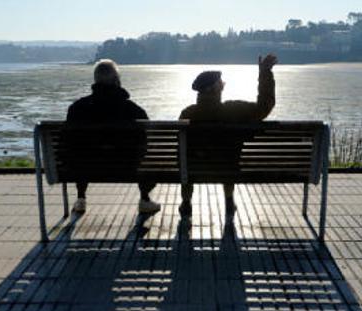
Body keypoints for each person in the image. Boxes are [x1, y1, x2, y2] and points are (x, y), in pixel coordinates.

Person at [178, 54, 278, 217]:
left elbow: (180, 148)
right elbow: (264, 107)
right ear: (214, 88)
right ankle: (229, 200)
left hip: (195, 169)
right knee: (228, 158)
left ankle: (186, 202)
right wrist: (265, 72)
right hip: (228, 168)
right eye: (220, 82)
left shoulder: (188, 113)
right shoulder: (234, 110)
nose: (224, 83)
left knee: (188, 160)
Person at [65, 59, 160, 215]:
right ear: (117, 81)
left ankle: (81, 198)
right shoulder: (133, 110)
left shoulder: (77, 108)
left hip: (87, 166)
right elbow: (147, 138)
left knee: (80, 151)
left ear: (95, 80)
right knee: (145, 151)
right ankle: (144, 199)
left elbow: (68, 143)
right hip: (127, 167)